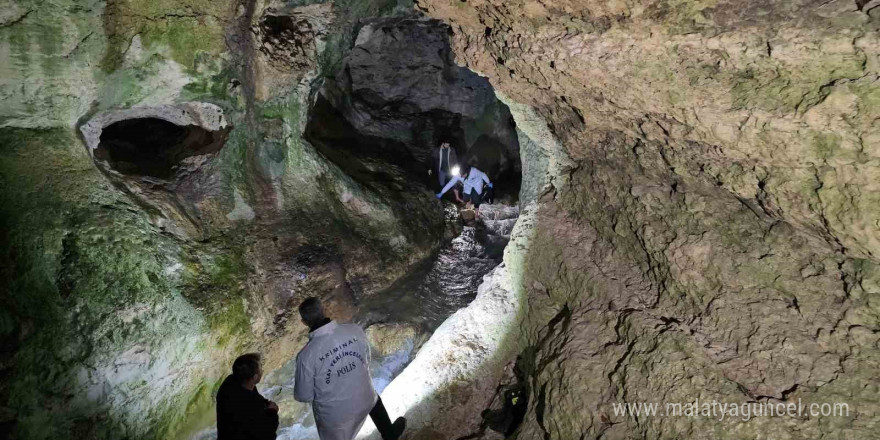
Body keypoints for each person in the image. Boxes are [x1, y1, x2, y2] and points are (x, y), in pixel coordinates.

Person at [294, 297, 406, 440]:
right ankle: (390, 434)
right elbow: (366, 360)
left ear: (304, 323)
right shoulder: (354, 330)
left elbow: (303, 396)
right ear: (325, 310)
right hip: (366, 400)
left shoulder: (305, 356)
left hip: (337, 419)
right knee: (373, 398)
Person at [216, 353, 280, 440]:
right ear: (254, 377)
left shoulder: (230, 382)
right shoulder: (252, 405)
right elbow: (267, 434)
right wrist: (272, 411)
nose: (262, 370)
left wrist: (264, 402)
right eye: (260, 368)